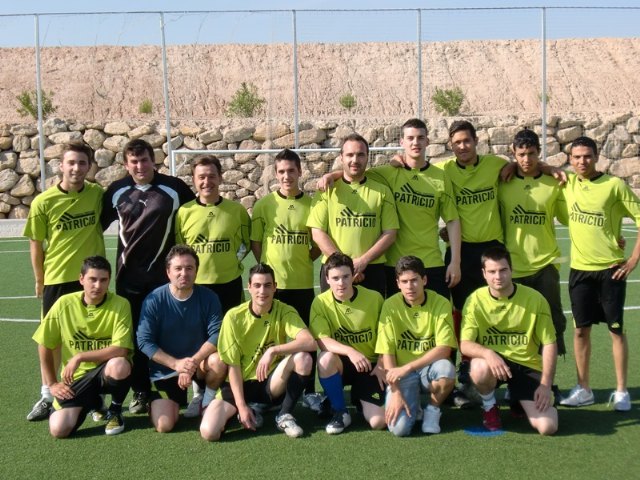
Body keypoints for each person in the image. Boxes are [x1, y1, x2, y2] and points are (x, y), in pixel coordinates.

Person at [101, 138, 195, 415]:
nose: (140, 166)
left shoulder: (174, 187)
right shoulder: (117, 191)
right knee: (138, 338)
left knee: (170, 334)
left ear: (154, 161)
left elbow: (196, 214)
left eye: (144, 160)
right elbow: (96, 225)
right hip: (129, 279)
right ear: (125, 164)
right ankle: (141, 391)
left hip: (165, 279)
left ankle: (175, 390)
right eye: (134, 161)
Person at [319, 119, 461, 300]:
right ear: (401, 142)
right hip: (395, 265)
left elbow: (452, 220)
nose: (415, 143)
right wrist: (331, 175)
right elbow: (354, 172)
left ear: (427, 141)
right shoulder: (387, 173)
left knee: (439, 312)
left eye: (420, 138)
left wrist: (455, 262)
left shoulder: (440, 177)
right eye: (410, 138)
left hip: (431, 262)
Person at [24, 143, 105, 421]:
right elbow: (36, 244)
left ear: (89, 167)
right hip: (57, 279)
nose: (76, 168)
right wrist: (39, 279)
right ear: (60, 165)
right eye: (71, 162)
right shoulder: (43, 202)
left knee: (91, 338)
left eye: (82, 163)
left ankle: (93, 397)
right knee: (51, 340)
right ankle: (47, 394)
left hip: (91, 281)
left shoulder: (96, 194)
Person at [558, 136, 640, 411]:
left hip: (610, 271)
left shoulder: (614, 185)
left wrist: (633, 260)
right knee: (580, 331)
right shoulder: (567, 182)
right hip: (580, 271)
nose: (582, 161)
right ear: (570, 159)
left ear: (596, 156)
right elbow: (543, 168)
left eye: (587, 156)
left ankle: (621, 391)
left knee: (616, 331)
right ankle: (584, 389)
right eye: (577, 157)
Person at [200, 263, 316, 441]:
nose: (262, 291)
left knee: (303, 359)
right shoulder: (234, 317)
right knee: (209, 432)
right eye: (257, 285)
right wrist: (241, 406)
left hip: (270, 383)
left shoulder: (284, 311)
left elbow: (309, 342)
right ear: (249, 287)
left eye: (268, 285)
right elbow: (233, 366)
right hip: (240, 383)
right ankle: (251, 410)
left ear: (275, 287)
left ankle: (283, 415)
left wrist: (273, 350)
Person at [175, 155, 250, 417]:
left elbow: (245, 245)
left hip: (228, 285)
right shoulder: (184, 212)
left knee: (230, 339)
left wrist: (230, 262)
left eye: (211, 176)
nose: (207, 181)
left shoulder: (236, 211)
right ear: (194, 180)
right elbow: (180, 250)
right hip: (197, 289)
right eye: (201, 177)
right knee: (198, 342)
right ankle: (199, 395)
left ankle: (229, 391)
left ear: (220, 177)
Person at [251, 148, 323, 413]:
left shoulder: (313, 205)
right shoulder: (264, 205)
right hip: (274, 288)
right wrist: (269, 271)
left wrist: (305, 259)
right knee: (273, 339)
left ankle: (310, 391)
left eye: (291, 170)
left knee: (307, 339)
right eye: (281, 171)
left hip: (302, 284)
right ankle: (273, 392)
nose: (286, 176)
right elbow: (256, 243)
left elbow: (317, 244)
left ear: (300, 172)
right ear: (275, 173)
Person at [498, 129, 567, 404]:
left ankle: (549, 382)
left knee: (551, 326)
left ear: (539, 152)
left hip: (545, 266)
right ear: (513, 154)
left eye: (531, 154)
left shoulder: (553, 183)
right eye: (521, 154)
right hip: (512, 268)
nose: (526, 159)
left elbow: (574, 217)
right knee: (514, 329)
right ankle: (514, 383)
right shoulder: (502, 181)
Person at [460, 246, 558, 435]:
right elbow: (465, 344)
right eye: (492, 271)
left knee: (548, 427)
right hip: (495, 365)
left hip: (526, 366)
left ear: (512, 270)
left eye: (503, 270)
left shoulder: (535, 299)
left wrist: (546, 385)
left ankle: (517, 398)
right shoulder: (475, 301)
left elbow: (549, 343)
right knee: (479, 367)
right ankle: (490, 407)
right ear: (484, 274)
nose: (498, 276)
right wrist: (488, 353)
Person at [32, 256, 133, 437]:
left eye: (103, 280)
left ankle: (115, 411)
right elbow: (44, 343)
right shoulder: (64, 304)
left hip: (105, 371)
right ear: (81, 279)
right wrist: (52, 383)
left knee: (119, 364)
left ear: (109, 281)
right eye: (92, 279)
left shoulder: (120, 304)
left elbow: (121, 349)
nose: (98, 285)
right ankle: (94, 402)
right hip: (77, 378)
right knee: (59, 429)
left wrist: (80, 356)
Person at [137, 245, 227, 433]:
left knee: (218, 361)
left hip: (198, 365)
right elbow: (144, 341)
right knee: (165, 425)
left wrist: (191, 362)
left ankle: (205, 400)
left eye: (189, 268)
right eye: (178, 268)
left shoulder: (209, 297)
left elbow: (217, 334)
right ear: (168, 272)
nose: (184, 273)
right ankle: (166, 401)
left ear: (196, 271)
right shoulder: (154, 300)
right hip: (166, 369)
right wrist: (176, 364)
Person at [307, 133, 399, 295]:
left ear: (367, 157)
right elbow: (317, 232)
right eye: (349, 155)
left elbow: (390, 233)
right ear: (341, 157)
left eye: (360, 155)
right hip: (334, 269)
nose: (355, 160)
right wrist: (344, 266)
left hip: (371, 269)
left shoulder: (382, 191)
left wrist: (363, 261)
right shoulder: (327, 189)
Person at [376, 256, 457, 436]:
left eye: (414, 280)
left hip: (426, 369)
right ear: (397, 283)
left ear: (424, 280)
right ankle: (414, 405)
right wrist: (395, 391)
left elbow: (445, 349)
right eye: (404, 282)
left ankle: (432, 410)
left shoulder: (441, 303)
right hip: (401, 375)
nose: (410, 286)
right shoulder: (390, 305)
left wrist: (409, 367)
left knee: (446, 369)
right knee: (399, 430)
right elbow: (387, 351)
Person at [310, 252, 386, 434]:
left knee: (378, 422)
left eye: (345, 276)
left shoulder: (374, 298)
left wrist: (382, 362)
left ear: (354, 275)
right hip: (342, 364)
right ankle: (341, 412)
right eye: (335, 278)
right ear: (327, 279)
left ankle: (358, 397)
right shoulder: (320, 302)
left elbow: (387, 336)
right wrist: (351, 351)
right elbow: (322, 340)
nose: (341, 283)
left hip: (369, 366)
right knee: (325, 359)